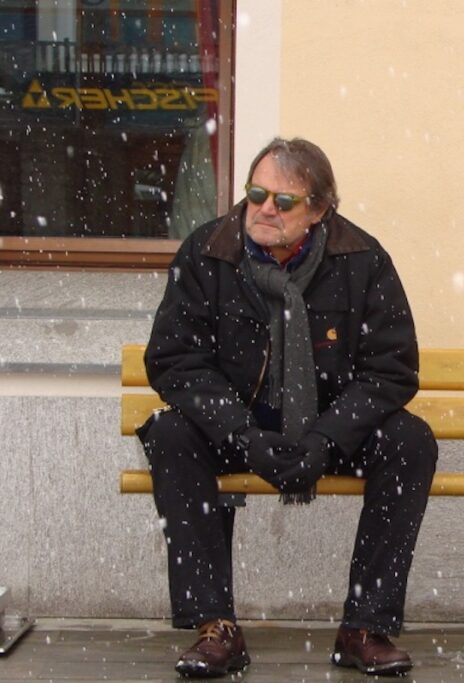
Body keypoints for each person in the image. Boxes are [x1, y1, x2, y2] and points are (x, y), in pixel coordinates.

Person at [139, 137, 437, 678]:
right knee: (171, 434)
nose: (264, 208)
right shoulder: (207, 253)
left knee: (410, 441)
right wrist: (242, 435)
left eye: (283, 200)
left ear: (320, 210)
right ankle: (216, 628)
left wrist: (327, 440)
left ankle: (364, 627)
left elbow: (391, 368)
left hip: (326, 432)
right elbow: (175, 360)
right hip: (237, 427)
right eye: (256, 193)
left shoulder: (363, 260)